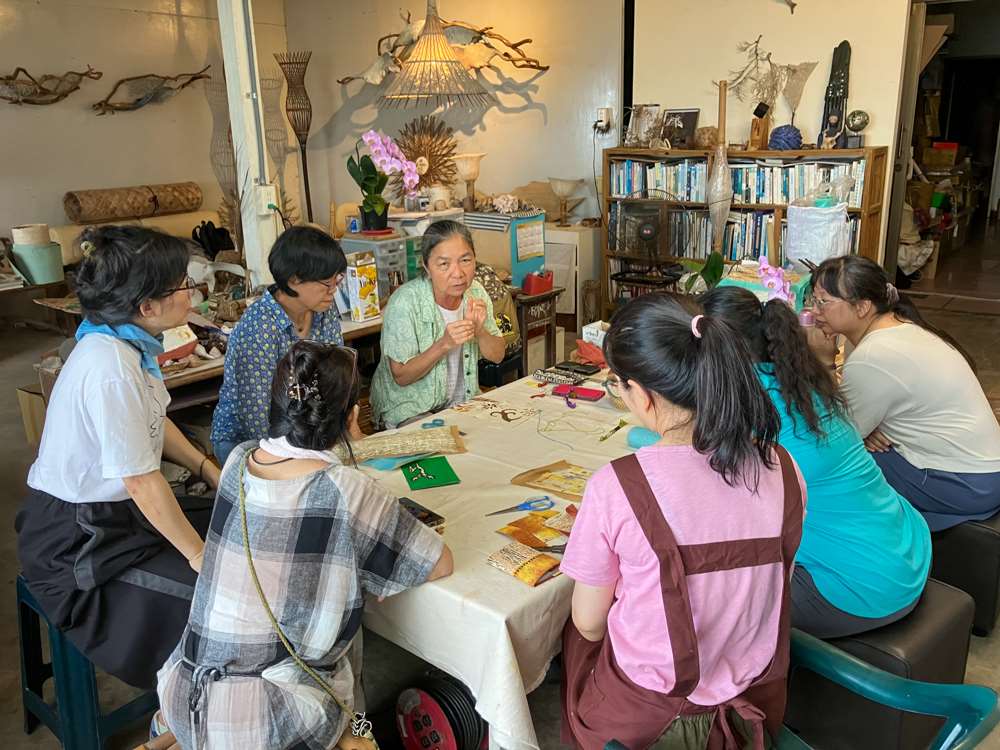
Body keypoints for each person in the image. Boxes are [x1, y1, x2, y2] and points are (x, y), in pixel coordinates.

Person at [158, 341, 453, 749]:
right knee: (338, 653)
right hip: (265, 720)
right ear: (352, 418)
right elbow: (437, 562)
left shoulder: (239, 462)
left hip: (186, 693)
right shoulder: (346, 489)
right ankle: (359, 728)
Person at [560, 293, 805, 749]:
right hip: (755, 703)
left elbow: (590, 624)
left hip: (650, 719)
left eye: (619, 386)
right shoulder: (785, 468)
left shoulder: (617, 485)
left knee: (575, 638)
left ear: (642, 394)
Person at [16, 226, 219, 689]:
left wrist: (207, 468)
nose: (192, 293)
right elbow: (141, 482)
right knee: (216, 595)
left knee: (236, 521)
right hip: (77, 541)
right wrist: (198, 555)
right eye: (183, 285)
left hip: (119, 516)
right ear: (146, 307)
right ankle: (191, 708)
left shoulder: (128, 347)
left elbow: (153, 422)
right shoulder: (108, 366)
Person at [702, 286, 931, 638]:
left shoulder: (745, 407)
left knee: (706, 601)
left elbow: (685, 457)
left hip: (856, 590)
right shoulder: (799, 384)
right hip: (903, 551)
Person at [812, 255, 1000, 531]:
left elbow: (837, 439)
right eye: (812, 299)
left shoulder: (873, 355)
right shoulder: (896, 327)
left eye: (823, 302)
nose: (813, 311)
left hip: (966, 482)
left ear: (862, 307)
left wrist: (824, 362)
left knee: (830, 465)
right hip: (984, 469)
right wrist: (863, 430)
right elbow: (854, 419)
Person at [211, 226, 347, 463]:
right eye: (327, 283)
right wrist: (295, 457)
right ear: (294, 280)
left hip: (306, 431)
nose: (333, 291)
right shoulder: (258, 327)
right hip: (248, 441)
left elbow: (335, 377)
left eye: (337, 280)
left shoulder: (323, 309)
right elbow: (256, 417)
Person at [370, 220, 505, 429]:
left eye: (465, 260)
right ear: (426, 266)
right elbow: (401, 376)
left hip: (461, 404)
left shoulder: (476, 292)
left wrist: (480, 332)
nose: (458, 273)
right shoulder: (405, 302)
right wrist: (443, 344)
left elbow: (497, 355)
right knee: (442, 450)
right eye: (444, 264)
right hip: (410, 410)